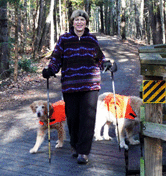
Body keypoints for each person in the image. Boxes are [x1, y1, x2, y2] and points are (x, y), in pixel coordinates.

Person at [42, 10, 117, 164]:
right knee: (73, 118)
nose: (79, 22)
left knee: (87, 119)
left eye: (82, 20)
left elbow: (100, 58)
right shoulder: (64, 39)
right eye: (77, 19)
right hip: (70, 85)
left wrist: (108, 65)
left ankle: (84, 152)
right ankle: (75, 146)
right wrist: (50, 70)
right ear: (72, 22)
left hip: (90, 85)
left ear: (86, 22)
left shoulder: (91, 39)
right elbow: (56, 59)